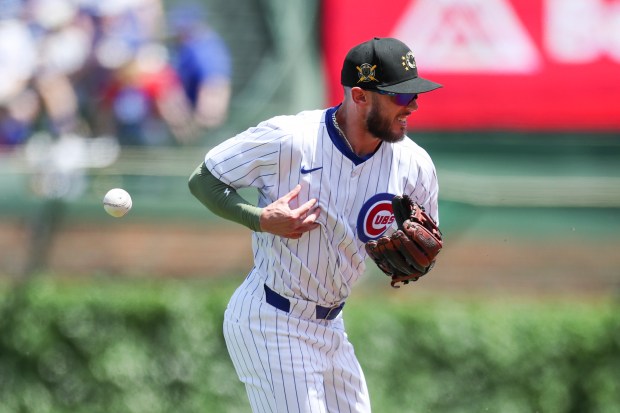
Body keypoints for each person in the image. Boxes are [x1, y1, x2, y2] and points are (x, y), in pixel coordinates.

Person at [188, 37, 442, 413]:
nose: (413, 105)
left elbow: (428, 242)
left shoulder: (414, 165)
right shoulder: (290, 139)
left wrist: (422, 262)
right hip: (272, 319)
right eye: (400, 97)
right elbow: (203, 179)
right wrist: (259, 220)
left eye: (414, 95)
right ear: (359, 96)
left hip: (331, 328)